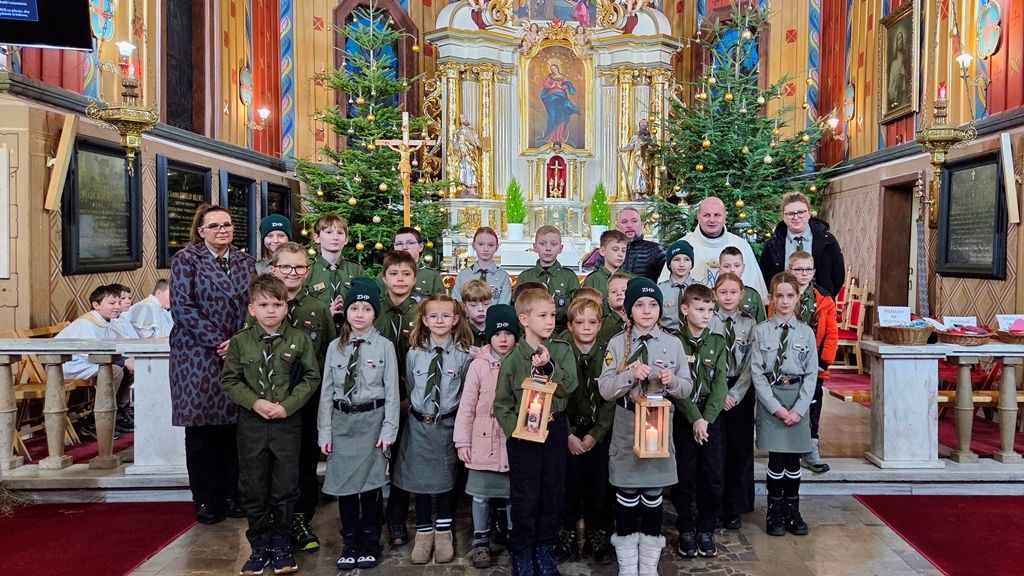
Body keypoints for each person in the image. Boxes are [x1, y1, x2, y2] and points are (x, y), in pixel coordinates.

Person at [221, 274, 321, 576]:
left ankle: (282, 543)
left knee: (286, 486)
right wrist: (256, 402)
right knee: (253, 486)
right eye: (263, 305)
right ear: (252, 309)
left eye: (277, 304)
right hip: (252, 425)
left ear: (286, 306)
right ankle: (259, 543)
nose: (271, 311)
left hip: (287, 424)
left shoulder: (299, 339)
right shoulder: (240, 342)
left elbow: (310, 377)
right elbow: (230, 380)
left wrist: (287, 406)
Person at [598, 277, 692, 576]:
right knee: (626, 494)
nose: (647, 310)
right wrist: (629, 375)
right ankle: (628, 566)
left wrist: (672, 381)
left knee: (653, 494)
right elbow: (605, 389)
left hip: (659, 425)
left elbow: (687, 388)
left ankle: (649, 566)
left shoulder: (672, 343)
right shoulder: (616, 343)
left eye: (653, 304)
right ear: (629, 310)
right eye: (639, 305)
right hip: (627, 424)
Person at [170, 204, 256, 525]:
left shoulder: (246, 261)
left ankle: (234, 494)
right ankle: (206, 499)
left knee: (235, 431)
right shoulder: (186, 260)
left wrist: (238, 341)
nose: (223, 230)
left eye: (228, 225)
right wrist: (219, 341)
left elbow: (255, 303)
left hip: (239, 352)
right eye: (215, 226)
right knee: (203, 433)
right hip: (197, 357)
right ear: (201, 230)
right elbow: (182, 307)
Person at [493, 288, 580, 576]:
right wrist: (514, 433)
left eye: (553, 315)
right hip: (524, 435)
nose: (550, 321)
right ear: (524, 319)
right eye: (542, 315)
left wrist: (549, 366)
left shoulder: (562, 350)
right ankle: (522, 551)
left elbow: (570, 386)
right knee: (525, 495)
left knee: (552, 491)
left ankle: (545, 549)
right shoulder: (514, 359)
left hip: (554, 429)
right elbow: (502, 403)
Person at [318, 277, 400, 571]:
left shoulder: (385, 347)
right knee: (345, 488)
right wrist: (324, 432)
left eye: (366, 308)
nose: (360, 313)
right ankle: (350, 541)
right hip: (342, 424)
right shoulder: (334, 348)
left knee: (370, 487)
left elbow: (392, 392)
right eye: (355, 307)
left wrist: (389, 429)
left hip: (372, 423)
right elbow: (327, 393)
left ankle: (370, 540)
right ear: (347, 312)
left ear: (375, 313)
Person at [393, 294, 473, 565]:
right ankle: (424, 533)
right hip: (419, 424)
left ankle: (444, 531)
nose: (440, 321)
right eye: (433, 316)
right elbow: (410, 388)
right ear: (425, 321)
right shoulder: (414, 353)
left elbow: (466, 392)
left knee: (446, 480)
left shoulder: (463, 355)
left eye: (446, 316)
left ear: (455, 320)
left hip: (447, 424)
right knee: (421, 481)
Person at [269, 242, 337, 551]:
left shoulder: (318, 308)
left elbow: (329, 353)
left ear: (307, 272)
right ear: (274, 269)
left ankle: (301, 517)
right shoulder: (262, 305)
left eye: (299, 267)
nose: (292, 273)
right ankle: (274, 520)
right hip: (270, 400)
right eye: (286, 267)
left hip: (308, 399)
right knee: (273, 462)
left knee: (305, 462)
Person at [751, 272, 818, 537]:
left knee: (793, 461)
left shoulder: (806, 333)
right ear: (771, 298)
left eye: (790, 296)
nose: (785, 301)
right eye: (779, 296)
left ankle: (793, 510)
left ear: (798, 298)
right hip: (772, 400)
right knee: (777, 460)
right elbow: (756, 372)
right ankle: (774, 511)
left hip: (797, 398)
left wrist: (799, 409)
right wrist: (776, 408)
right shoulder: (762, 331)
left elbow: (812, 373)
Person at [454, 304, 519, 569]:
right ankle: (480, 537)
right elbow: (467, 405)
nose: (502, 339)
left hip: (512, 440)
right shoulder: (478, 366)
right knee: (481, 494)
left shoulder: (521, 361)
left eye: (508, 333)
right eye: (497, 334)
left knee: (512, 493)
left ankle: (514, 535)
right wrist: (462, 441)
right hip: (483, 439)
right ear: (488, 336)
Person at [670, 284, 728, 559]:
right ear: (685, 309)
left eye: (710, 310)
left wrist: (706, 419)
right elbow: (674, 387)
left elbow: (720, 386)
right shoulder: (673, 342)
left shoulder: (717, 342)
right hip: (683, 416)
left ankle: (706, 528)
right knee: (684, 476)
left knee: (712, 477)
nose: (706, 315)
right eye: (700, 309)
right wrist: (694, 418)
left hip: (710, 416)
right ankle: (686, 528)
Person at [558, 297, 615, 566]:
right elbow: (556, 396)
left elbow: (611, 398)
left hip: (598, 430)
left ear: (600, 324)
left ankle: (597, 535)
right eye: (579, 322)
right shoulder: (561, 354)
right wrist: (568, 433)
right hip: (568, 430)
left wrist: (597, 434)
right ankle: (566, 534)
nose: (586, 327)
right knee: (568, 485)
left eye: (592, 321)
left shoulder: (609, 354)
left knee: (598, 486)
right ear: (570, 326)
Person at [374, 250, 420, 546]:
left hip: (411, 399)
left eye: (406, 274)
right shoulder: (372, 311)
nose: (400, 279)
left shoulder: (422, 313)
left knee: (403, 460)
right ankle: (373, 513)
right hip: (378, 398)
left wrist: (410, 399)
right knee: (377, 458)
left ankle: (397, 519)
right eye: (394, 274)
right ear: (384, 277)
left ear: (415, 279)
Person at [56, 284, 136, 439]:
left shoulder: (109, 321)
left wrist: (129, 360)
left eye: (119, 303)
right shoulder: (86, 323)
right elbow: (91, 353)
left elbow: (121, 345)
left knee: (131, 368)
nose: (117, 307)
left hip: (91, 363)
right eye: (112, 304)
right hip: (71, 364)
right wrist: (123, 362)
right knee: (115, 370)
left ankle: (117, 411)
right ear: (96, 305)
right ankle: (95, 421)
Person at [709, 273, 758, 530]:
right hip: (715, 388)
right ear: (715, 294)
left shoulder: (750, 324)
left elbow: (752, 364)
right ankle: (713, 506)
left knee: (739, 450)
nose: (728, 297)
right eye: (723, 292)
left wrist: (735, 394)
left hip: (740, 388)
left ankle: (734, 507)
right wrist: (720, 395)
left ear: (742, 295)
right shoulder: (709, 321)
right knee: (716, 450)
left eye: (733, 292)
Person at [785, 251, 838, 474]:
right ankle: (789, 449)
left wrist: (824, 362)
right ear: (790, 271)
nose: (803, 273)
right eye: (798, 269)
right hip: (788, 363)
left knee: (812, 404)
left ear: (814, 271)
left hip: (814, 362)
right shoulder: (783, 294)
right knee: (789, 403)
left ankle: (811, 448)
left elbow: (832, 333)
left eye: (808, 269)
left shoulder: (823, 299)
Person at [759, 192, 845, 297]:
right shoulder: (772, 245)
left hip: (819, 304)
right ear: (783, 216)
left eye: (801, 212)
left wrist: (824, 298)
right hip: (784, 305)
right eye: (790, 213)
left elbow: (838, 276)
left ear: (809, 214)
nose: (796, 217)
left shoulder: (828, 241)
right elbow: (765, 277)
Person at [681, 197, 767, 297]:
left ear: (725, 217)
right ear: (698, 217)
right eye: (706, 215)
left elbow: (757, 298)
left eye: (717, 215)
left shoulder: (742, 246)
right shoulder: (683, 246)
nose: (712, 220)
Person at [516, 225, 581, 334]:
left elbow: (577, 308)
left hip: (562, 332)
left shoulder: (569, 277)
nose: (548, 248)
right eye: (542, 244)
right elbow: (517, 309)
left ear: (561, 248)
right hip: (530, 332)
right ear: (535, 247)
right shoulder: (525, 277)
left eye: (554, 244)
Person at [306, 214, 366, 319]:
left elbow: (366, 302)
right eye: (329, 232)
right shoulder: (308, 270)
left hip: (349, 329)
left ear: (346, 239)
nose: (335, 237)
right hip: (318, 329)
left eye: (340, 233)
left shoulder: (356, 270)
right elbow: (302, 307)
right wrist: (326, 313)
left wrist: (350, 310)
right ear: (317, 237)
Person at [381, 227, 446, 300]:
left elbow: (441, 306)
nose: (404, 247)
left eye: (410, 243)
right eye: (399, 244)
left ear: (420, 247)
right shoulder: (384, 275)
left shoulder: (432, 276)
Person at [452, 227, 512, 305]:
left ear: (497, 247)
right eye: (481, 244)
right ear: (473, 245)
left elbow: (504, 306)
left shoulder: (503, 276)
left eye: (490, 245)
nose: (485, 249)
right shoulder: (463, 275)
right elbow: (457, 304)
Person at [583, 229, 629, 313]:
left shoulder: (631, 279)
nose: (620, 254)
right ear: (602, 251)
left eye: (623, 250)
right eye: (615, 249)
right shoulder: (592, 280)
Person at [616, 208, 665, 282]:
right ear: (617, 227)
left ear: (642, 225)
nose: (629, 225)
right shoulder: (608, 251)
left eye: (634, 221)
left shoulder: (656, 250)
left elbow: (667, 279)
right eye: (624, 222)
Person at [719, 247, 766, 323]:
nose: (732, 270)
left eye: (737, 265)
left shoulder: (753, 296)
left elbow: (761, 326)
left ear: (743, 268)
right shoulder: (711, 295)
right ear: (720, 269)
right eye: (726, 266)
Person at [658, 240, 696, 332]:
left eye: (687, 259)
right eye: (676, 259)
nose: (682, 264)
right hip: (668, 337)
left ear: (691, 264)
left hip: (695, 338)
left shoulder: (701, 288)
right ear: (669, 264)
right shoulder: (659, 290)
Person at [540, 61, 580, 145]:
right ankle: (550, 137)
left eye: (554, 68)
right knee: (553, 115)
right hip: (551, 97)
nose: (553, 70)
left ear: (557, 68)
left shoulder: (562, 77)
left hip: (561, 97)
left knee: (562, 115)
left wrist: (561, 87)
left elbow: (566, 85)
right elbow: (545, 84)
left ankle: (559, 136)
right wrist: (552, 86)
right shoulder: (550, 76)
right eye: (551, 69)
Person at [619, 120, 651, 200]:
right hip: (637, 158)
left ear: (647, 125)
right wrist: (622, 149)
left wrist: (649, 148)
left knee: (645, 175)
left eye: (645, 123)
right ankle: (637, 193)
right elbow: (630, 145)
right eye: (642, 123)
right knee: (637, 175)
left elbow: (653, 145)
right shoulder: (636, 136)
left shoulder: (649, 136)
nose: (643, 124)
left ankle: (644, 192)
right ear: (639, 125)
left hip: (646, 159)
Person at [596, 272, 630, 347]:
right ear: (608, 300)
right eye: (614, 291)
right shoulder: (600, 326)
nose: (619, 293)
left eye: (624, 290)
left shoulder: (641, 322)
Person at [454, 114, 482, 197]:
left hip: (471, 153)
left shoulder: (472, 130)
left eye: (466, 117)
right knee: (462, 168)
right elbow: (454, 143)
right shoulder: (457, 131)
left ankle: (471, 188)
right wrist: (458, 148)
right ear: (460, 120)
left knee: (471, 168)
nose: (465, 119)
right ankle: (463, 187)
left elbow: (477, 141)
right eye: (463, 118)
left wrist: (481, 145)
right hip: (462, 154)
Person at [460, 279, 493, 347]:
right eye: (473, 305)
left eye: (486, 304)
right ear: (464, 306)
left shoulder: (496, 331)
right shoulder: (461, 333)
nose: (481, 309)